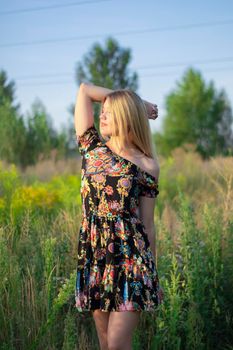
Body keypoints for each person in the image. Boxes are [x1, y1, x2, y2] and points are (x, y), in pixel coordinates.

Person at [74, 82, 164, 350]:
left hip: (132, 258)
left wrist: (152, 270)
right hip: (95, 255)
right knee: (105, 343)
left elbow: (148, 224)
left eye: (110, 112)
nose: (102, 115)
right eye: (102, 111)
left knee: (116, 344)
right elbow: (84, 90)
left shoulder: (147, 164)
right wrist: (140, 103)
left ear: (126, 116)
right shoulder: (92, 148)